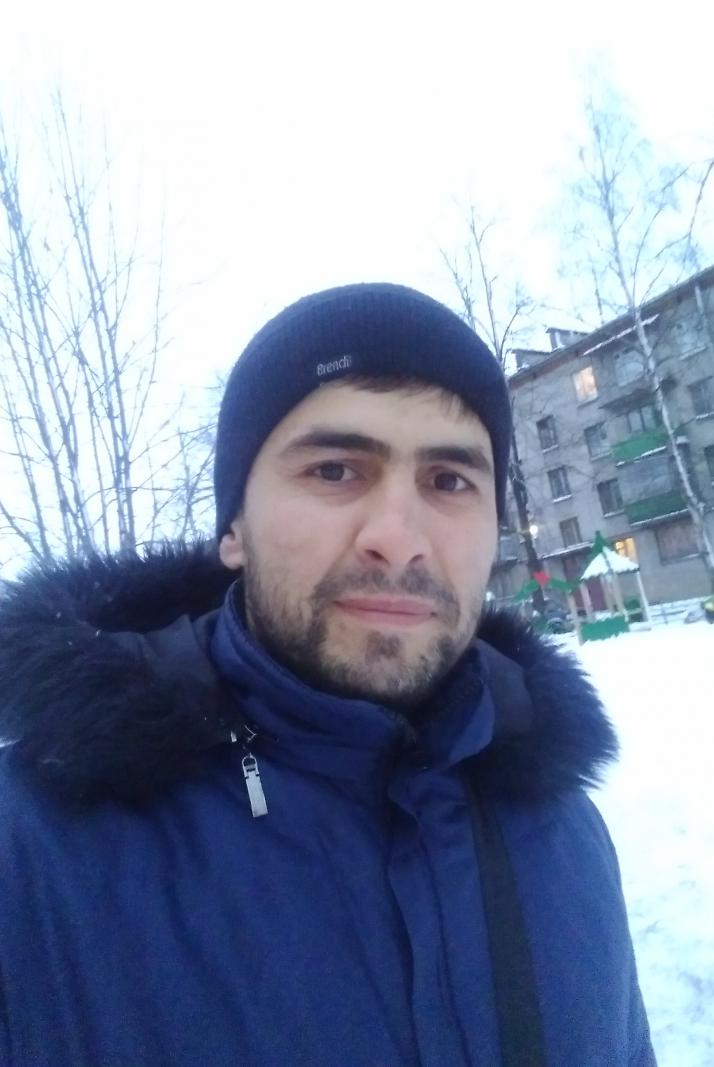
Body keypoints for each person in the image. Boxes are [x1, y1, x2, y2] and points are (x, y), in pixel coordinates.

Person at [0, 283, 656, 1066]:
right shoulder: (31, 854)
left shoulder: (562, 831)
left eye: (450, 481)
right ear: (234, 528)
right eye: (336, 469)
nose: (398, 538)